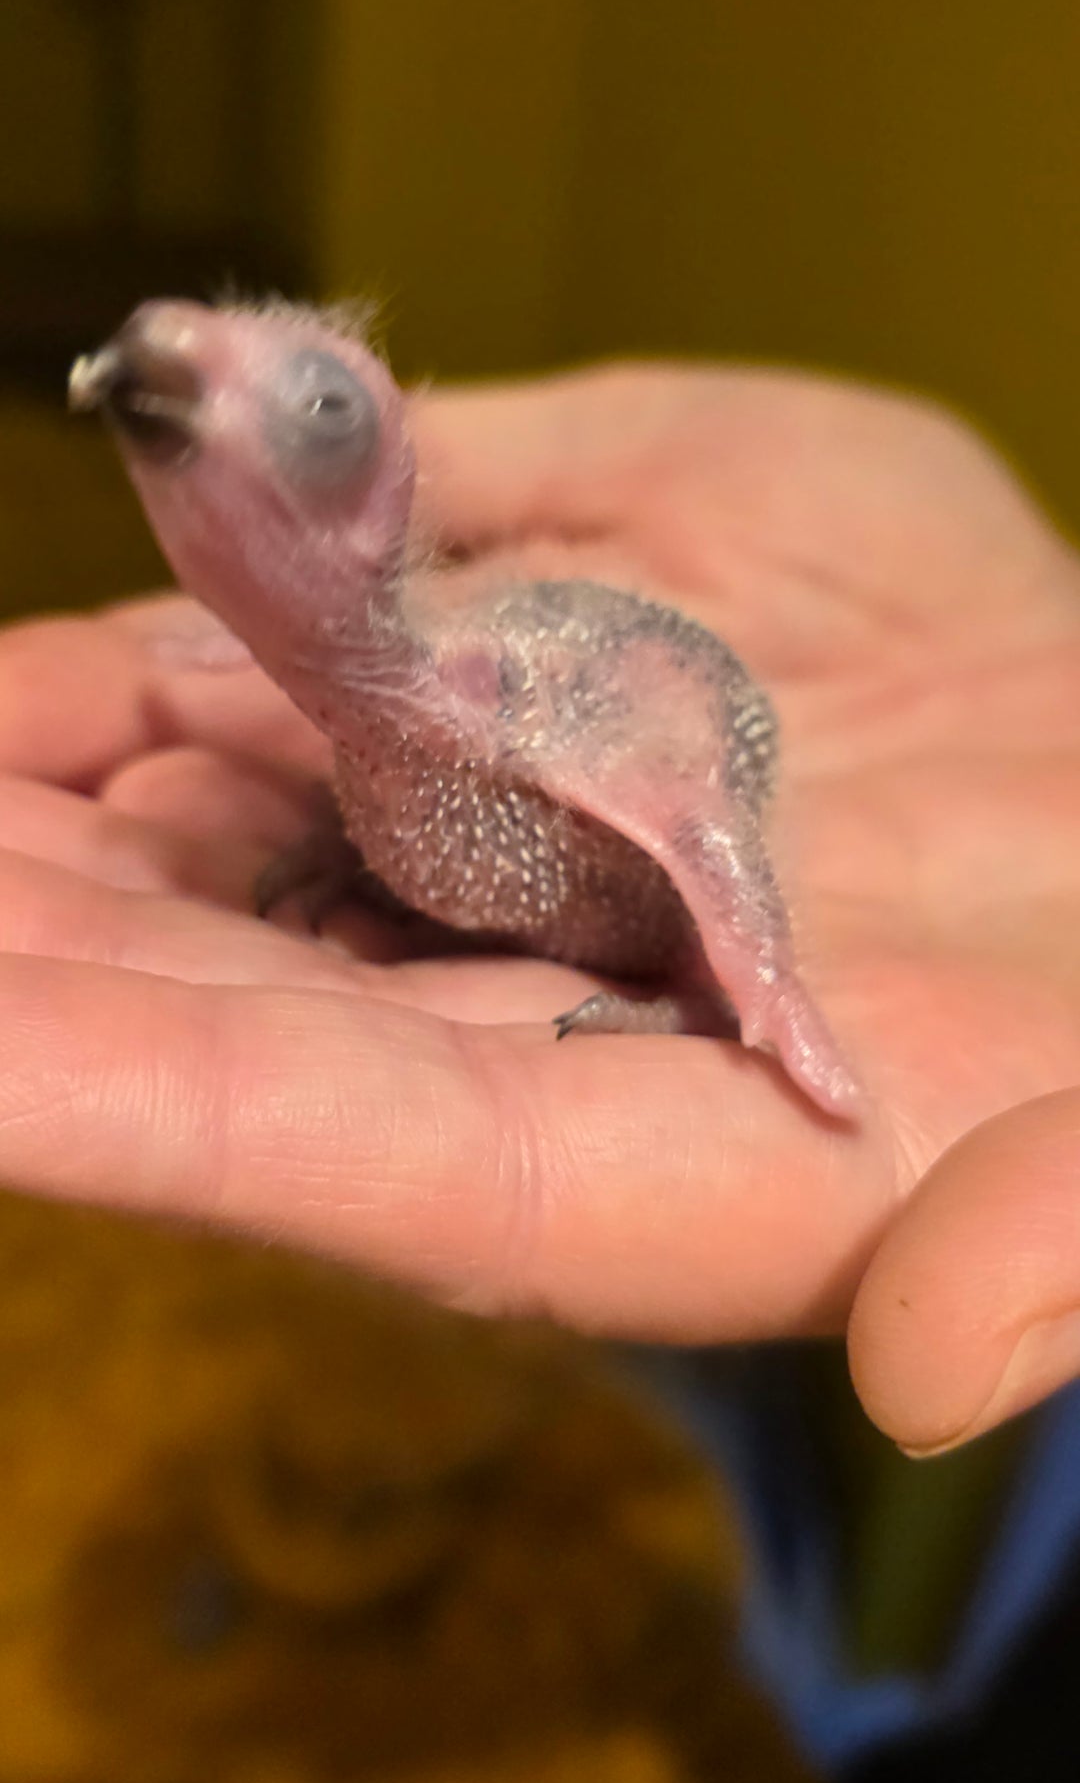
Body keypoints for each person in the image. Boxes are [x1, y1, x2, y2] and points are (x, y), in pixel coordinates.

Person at [2, 355, 1080, 1464]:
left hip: (633, 797)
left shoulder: (500, 700)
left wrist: (765, 993)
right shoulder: (366, 678)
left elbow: (699, 817)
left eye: (319, 416)